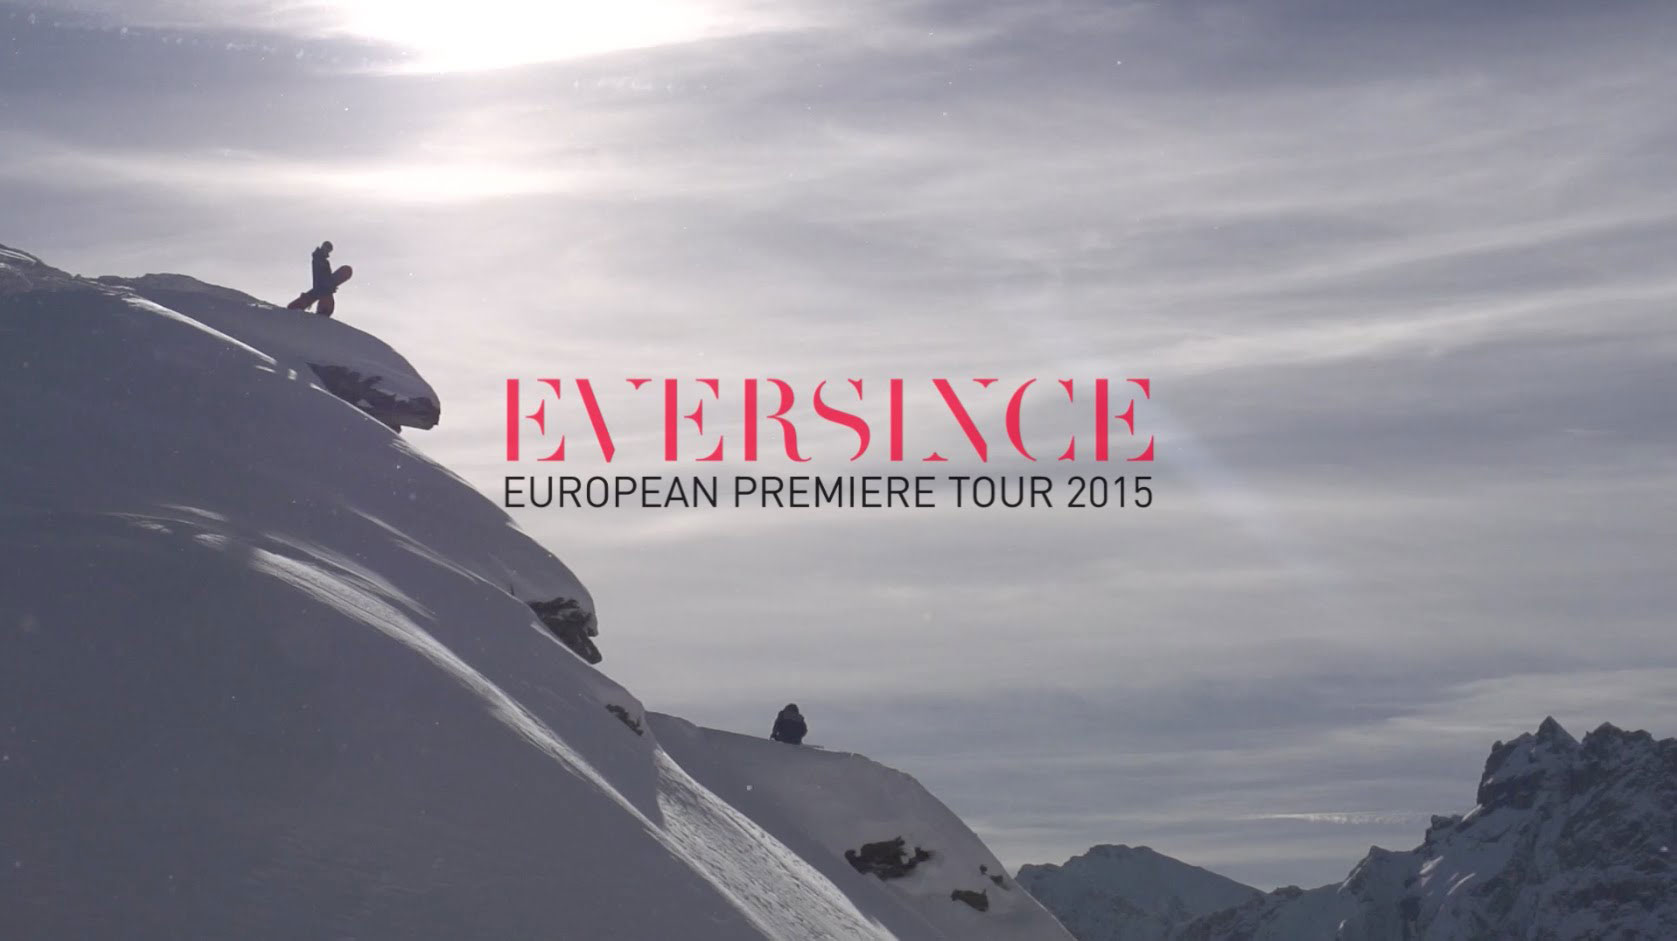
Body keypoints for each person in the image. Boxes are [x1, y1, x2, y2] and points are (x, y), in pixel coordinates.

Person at [285, 240, 351, 316]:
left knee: (319, 295)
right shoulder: (319, 258)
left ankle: (300, 305)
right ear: (323, 247)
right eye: (327, 249)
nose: (327, 251)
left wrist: (330, 283)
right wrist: (329, 284)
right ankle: (322, 310)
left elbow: (325, 274)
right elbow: (321, 273)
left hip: (322, 285)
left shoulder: (322, 259)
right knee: (325, 298)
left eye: (329, 250)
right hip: (322, 285)